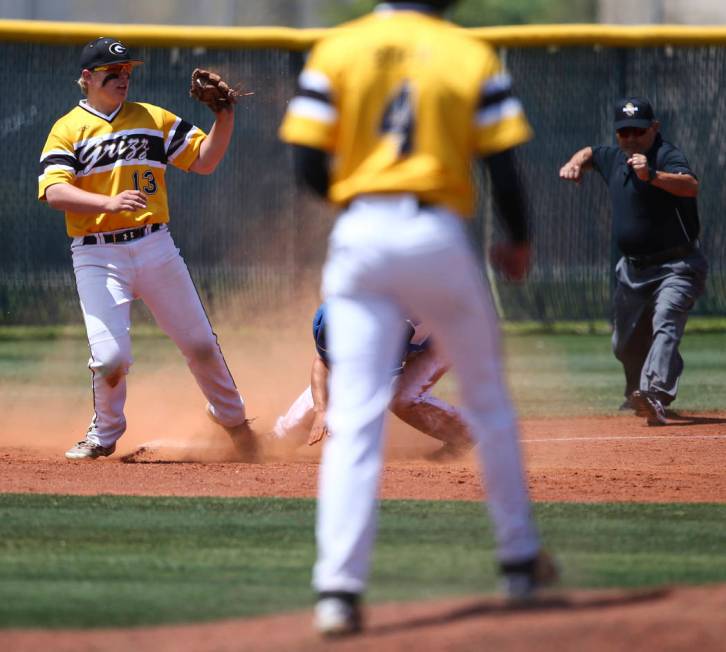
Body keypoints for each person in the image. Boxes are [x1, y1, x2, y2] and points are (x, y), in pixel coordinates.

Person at [280, 0, 557, 637]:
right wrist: (516, 237)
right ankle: (518, 562)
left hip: (360, 234)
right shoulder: (467, 53)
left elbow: (306, 165)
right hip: (435, 230)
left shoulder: (338, 49)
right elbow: (503, 165)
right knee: (489, 402)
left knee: (353, 420)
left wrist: (359, 205)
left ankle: (338, 593)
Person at [38, 37, 257, 461]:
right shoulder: (68, 128)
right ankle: (103, 434)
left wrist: (224, 116)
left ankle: (234, 422)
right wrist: (107, 202)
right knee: (111, 357)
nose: (123, 78)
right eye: (113, 72)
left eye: (127, 72)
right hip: (97, 254)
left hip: (155, 245)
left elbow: (204, 160)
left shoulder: (151, 118)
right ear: (87, 78)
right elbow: (54, 191)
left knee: (200, 346)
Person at [559, 97, 707, 426]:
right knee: (624, 343)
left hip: (677, 266)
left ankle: (654, 391)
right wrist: (575, 162)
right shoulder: (614, 157)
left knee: (666, 320)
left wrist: (651, 174)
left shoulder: (666, 155)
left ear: (654, 128)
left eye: (638, 131)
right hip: (632, 270)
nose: (630, 138)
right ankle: (638, 391)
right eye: (623, 132)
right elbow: (590, 152)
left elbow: (691, 186)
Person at [272, 303, 473, 461]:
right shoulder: (336, 312)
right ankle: (278, 440)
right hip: (413, 330)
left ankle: (465, 433)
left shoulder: (390, 327)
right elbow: (323, 362)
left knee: (402, 398)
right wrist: (321, 411)